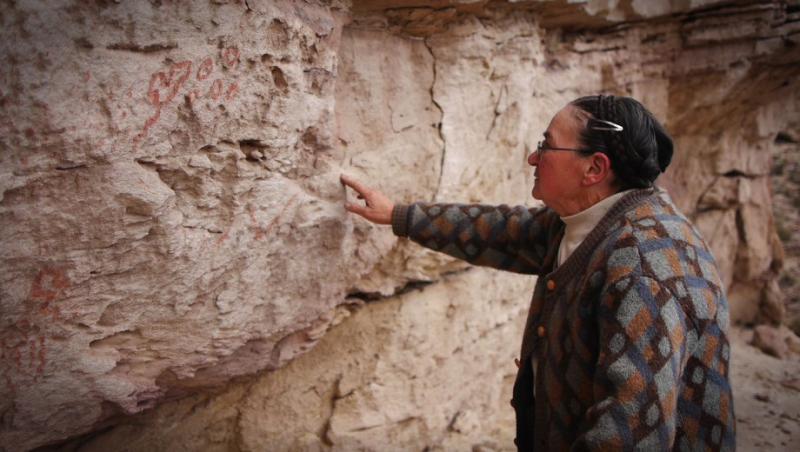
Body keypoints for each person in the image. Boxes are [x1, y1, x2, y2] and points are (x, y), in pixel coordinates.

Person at [340, 95, 735, 451]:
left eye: (546, 145)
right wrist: (398, 215)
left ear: (594, 168)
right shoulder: (591, 222)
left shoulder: (645, 271)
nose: (533, 158)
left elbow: (628, 435)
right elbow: (501, 232)